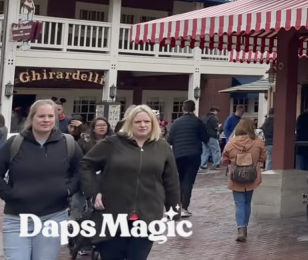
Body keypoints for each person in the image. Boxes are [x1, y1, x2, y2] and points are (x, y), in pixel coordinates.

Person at [80, 105, 180, 260]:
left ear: (153, 124)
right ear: (129, 123)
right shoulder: (112, 143)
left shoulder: (162, 147)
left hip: (147, 216)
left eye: (147, 121)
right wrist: (94, 192)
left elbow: (171, 181)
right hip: (113, 214)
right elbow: (86, 165)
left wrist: (174, 212)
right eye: (137, 121)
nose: (142, 125)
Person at [0, 99, 82, 260]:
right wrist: (9, 194)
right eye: (41, 116)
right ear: (32, 118)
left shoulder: (68, 143)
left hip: (53, 216)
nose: (46, 120)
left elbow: (80, 171)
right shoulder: (15, 142)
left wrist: (67, 190)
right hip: (17, 217)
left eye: (50, 116)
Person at [221, 118, 267, 242]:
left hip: (236, 176)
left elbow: (224, 159)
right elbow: (263, 158)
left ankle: (241, 229)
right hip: (252, 176)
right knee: (247, 202)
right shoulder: (257, 142)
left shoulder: (231, 143)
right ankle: (244, 227)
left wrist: (233, 160)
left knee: (239, 203)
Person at [167, 100, 209, 218]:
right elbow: (205, 138)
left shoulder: (176, 123)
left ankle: (177, 206)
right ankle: (185, 207)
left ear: (182, 109)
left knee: (178, 180)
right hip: (193, 155)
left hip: (178, 155)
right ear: (194, 109)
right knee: (188, 181)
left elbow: (169, 140)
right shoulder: (198, 122)